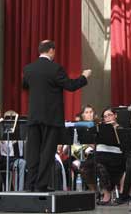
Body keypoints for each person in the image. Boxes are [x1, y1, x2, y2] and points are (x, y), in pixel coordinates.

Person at [23, 40, 91, 192]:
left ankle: (30, 186)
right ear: (52, 51)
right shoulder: (55, 68)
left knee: (33, 153)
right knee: (47, 153)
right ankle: (40, 186)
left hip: (33, 117)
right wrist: (84, 77)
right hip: (51, 118)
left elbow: (25, 85)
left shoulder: (28, 69)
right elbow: (71, 86)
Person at [80, 107, 125, 205]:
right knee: (84, 168)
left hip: (114, 155)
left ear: (115, 115)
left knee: (99, 165)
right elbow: (95, 144)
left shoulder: (121, 128)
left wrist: (115, 129)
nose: (108, 118)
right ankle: (95, 192)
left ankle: (107, 193)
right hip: (98, 153)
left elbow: (124, 145)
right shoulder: (99, 128)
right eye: (105, 116)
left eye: (110, 115)